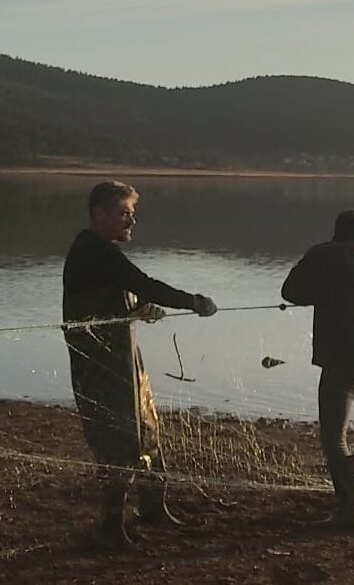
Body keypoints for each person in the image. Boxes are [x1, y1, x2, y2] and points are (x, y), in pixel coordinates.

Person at [62, 181, 218, 550]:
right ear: (98, 215)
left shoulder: (101, 251)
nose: (131, 220)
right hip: (99, 364)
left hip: (122, 357)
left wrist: (137, 308)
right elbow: (142, 284)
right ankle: (111, 529)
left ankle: (153, 509)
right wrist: (193, 302)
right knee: (119, 438)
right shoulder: (92, 249)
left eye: (132, 212)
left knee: (148, 428)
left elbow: (125, 293)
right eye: (122, 213)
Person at [281, 210, 354, 529]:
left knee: (333, 436)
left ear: (336, 231)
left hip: (341, 355)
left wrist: (324, 295)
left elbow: (289, 292)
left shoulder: (321, 254)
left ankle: (350, 506)